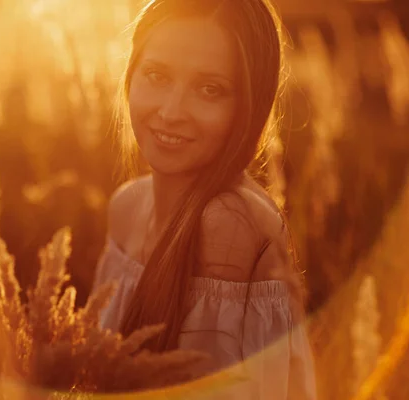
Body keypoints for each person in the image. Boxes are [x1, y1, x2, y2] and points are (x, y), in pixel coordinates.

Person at [92, 0, 317, 397]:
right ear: (130, 75)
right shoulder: (127, 207)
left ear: (248, 104)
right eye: (157, 75)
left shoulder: (229, 223)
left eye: (209, 89)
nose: (171, 111)